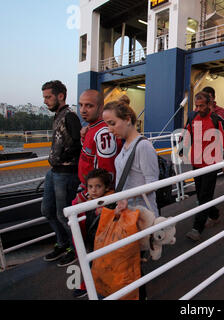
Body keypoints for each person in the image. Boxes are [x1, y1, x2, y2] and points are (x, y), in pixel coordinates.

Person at [41, 80, 82, 267]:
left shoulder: (70, 116)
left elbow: (76, 143)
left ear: (61, 96)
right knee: (47, 211)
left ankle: (75, 249)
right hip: (54, 172)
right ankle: (63, 242)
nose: (45, 101)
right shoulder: (57, 116)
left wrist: (62, 157)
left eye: (48, 97)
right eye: (44, 97)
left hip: (66, 173)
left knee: (63, 214)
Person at [182, 91, 224, 242]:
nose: (198, 108)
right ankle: (214, 214)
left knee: (204, 196)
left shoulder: (217, 120)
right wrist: (181, 148)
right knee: (201, 195)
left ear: (209, 104)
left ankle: (197, 228)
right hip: (196, 163)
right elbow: (187, 134)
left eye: (201, 106)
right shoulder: (193, 118)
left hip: (211, 163)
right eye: (196, 106)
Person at [102, 100, 159, 215]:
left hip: (142, 215)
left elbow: (152, 183)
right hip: (127, 210)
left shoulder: (143, 146)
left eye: (112, 123)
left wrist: (126, 197)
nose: (109, 130)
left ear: (128, 119)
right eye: (107, 125)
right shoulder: (126, 145)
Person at [72, 168, 114, 298]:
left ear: (106, 187)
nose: (93, 190)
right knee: (91, 267)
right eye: (90, 187)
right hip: (92, 243)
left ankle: (99, 291)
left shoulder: (109, 203)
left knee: (100, 270)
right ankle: (92, 288)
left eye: (98, 186)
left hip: (104, 244)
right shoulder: (89, 202)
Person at [75, 89, 122, 205]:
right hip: (88, 188)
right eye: (80, 105)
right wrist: (83, 137)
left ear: (101, 108)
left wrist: (88, 194)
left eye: (89, 106)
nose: (83, 110)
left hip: (94, 194)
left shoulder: (103, 133)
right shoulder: (91, 127)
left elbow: (107, 172)